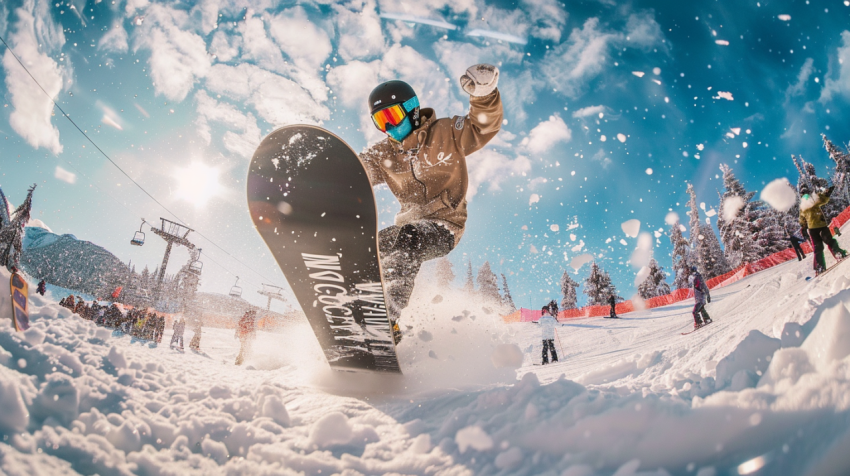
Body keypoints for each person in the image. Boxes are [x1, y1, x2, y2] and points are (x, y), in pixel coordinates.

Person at [358, 64, 503, 343]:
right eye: (380, 121)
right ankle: (359, 308)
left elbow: (481, 126)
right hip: (408, 225)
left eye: (392, 115)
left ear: (412, 109)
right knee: (370, 247)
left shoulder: (446, 133)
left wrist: (484, 95)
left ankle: (386, 317)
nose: (387, 126)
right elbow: (355, 171)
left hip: (444, 226)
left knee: (409, 238)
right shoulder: (384, 153)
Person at [799, 184, 847, 274]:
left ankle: (819, 266)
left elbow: (802, 218)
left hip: (812, 229)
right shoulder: (812, 199)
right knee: (829, 240)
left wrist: (804, 227)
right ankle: (838, 253)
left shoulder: (802, 206)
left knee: (818, 248)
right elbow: (822, 199)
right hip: (821, 226)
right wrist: (827, 194)